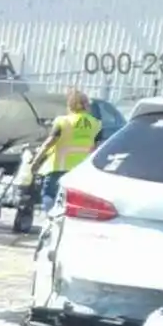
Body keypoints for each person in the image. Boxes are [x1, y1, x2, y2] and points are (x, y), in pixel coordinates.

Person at [18, 89, 101, 232]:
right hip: (80, 170)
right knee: (72, 200)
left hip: (58, 166)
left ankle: (52, 221)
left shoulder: (63, 121)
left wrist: (35, 161)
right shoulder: (95, 124)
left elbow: (50, 142)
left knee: (49, 195)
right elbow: (97, 148)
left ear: (70, 105)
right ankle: (68, 224)